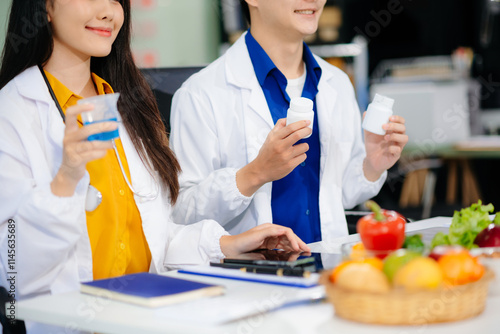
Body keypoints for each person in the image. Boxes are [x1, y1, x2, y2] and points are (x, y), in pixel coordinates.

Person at [0, 1, 309, 332]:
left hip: (142, 321)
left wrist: (228, 245)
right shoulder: (12, 114)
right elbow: (15, 272)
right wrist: (67, 177)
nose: (108, 12)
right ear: (45, 7)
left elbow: (154, 239)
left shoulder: (126, 107)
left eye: (116, 0)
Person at [169, 0, 408, 243]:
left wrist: (372, 166)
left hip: (327, 270)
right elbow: (181, 212)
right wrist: (254, 174)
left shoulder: (336, 82)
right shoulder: (200, 94)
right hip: (249, 276)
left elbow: (340, 197)